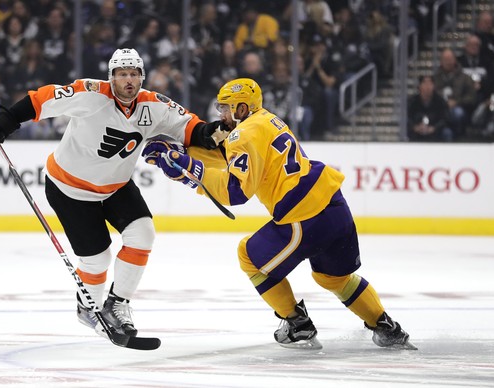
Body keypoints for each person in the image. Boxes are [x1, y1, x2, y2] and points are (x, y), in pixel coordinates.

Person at [142, 78, 416, 350]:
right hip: (334, 206)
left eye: (226, 108)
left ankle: (297, 325)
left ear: (241, 108)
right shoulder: (267, 121)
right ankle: (387, 327)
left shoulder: (242, 133)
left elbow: (235, 191)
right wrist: (187, 156)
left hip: (303, 216)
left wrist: (188, 168)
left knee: (248, 255)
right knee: (333, 278)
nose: (221, 114)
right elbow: (236, 158)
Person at [0, 48, 227, 339]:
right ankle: (87, 307)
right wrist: (4, 123)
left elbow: (189, 126)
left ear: (141, 77)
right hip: (70, 189)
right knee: (97, 261)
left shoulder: (153, 105)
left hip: (116, 186)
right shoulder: (91, 94)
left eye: (134, 74)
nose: (128, 80)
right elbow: (41, 100)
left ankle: (117, 304)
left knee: (143, 233)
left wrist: (210, 133)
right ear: (112, 77)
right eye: (122, 74)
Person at [407, 75, 452, 142]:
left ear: (433, 86)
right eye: (425, 83)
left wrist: (434, 128)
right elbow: (407, 117)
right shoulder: (412, 101)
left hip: (435, 130)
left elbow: (445, 118)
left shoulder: (440, 101)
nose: (427, 86)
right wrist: (415, 127)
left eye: (430, 83)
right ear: (419, 86)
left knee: (447, 132)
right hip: (417, 130)